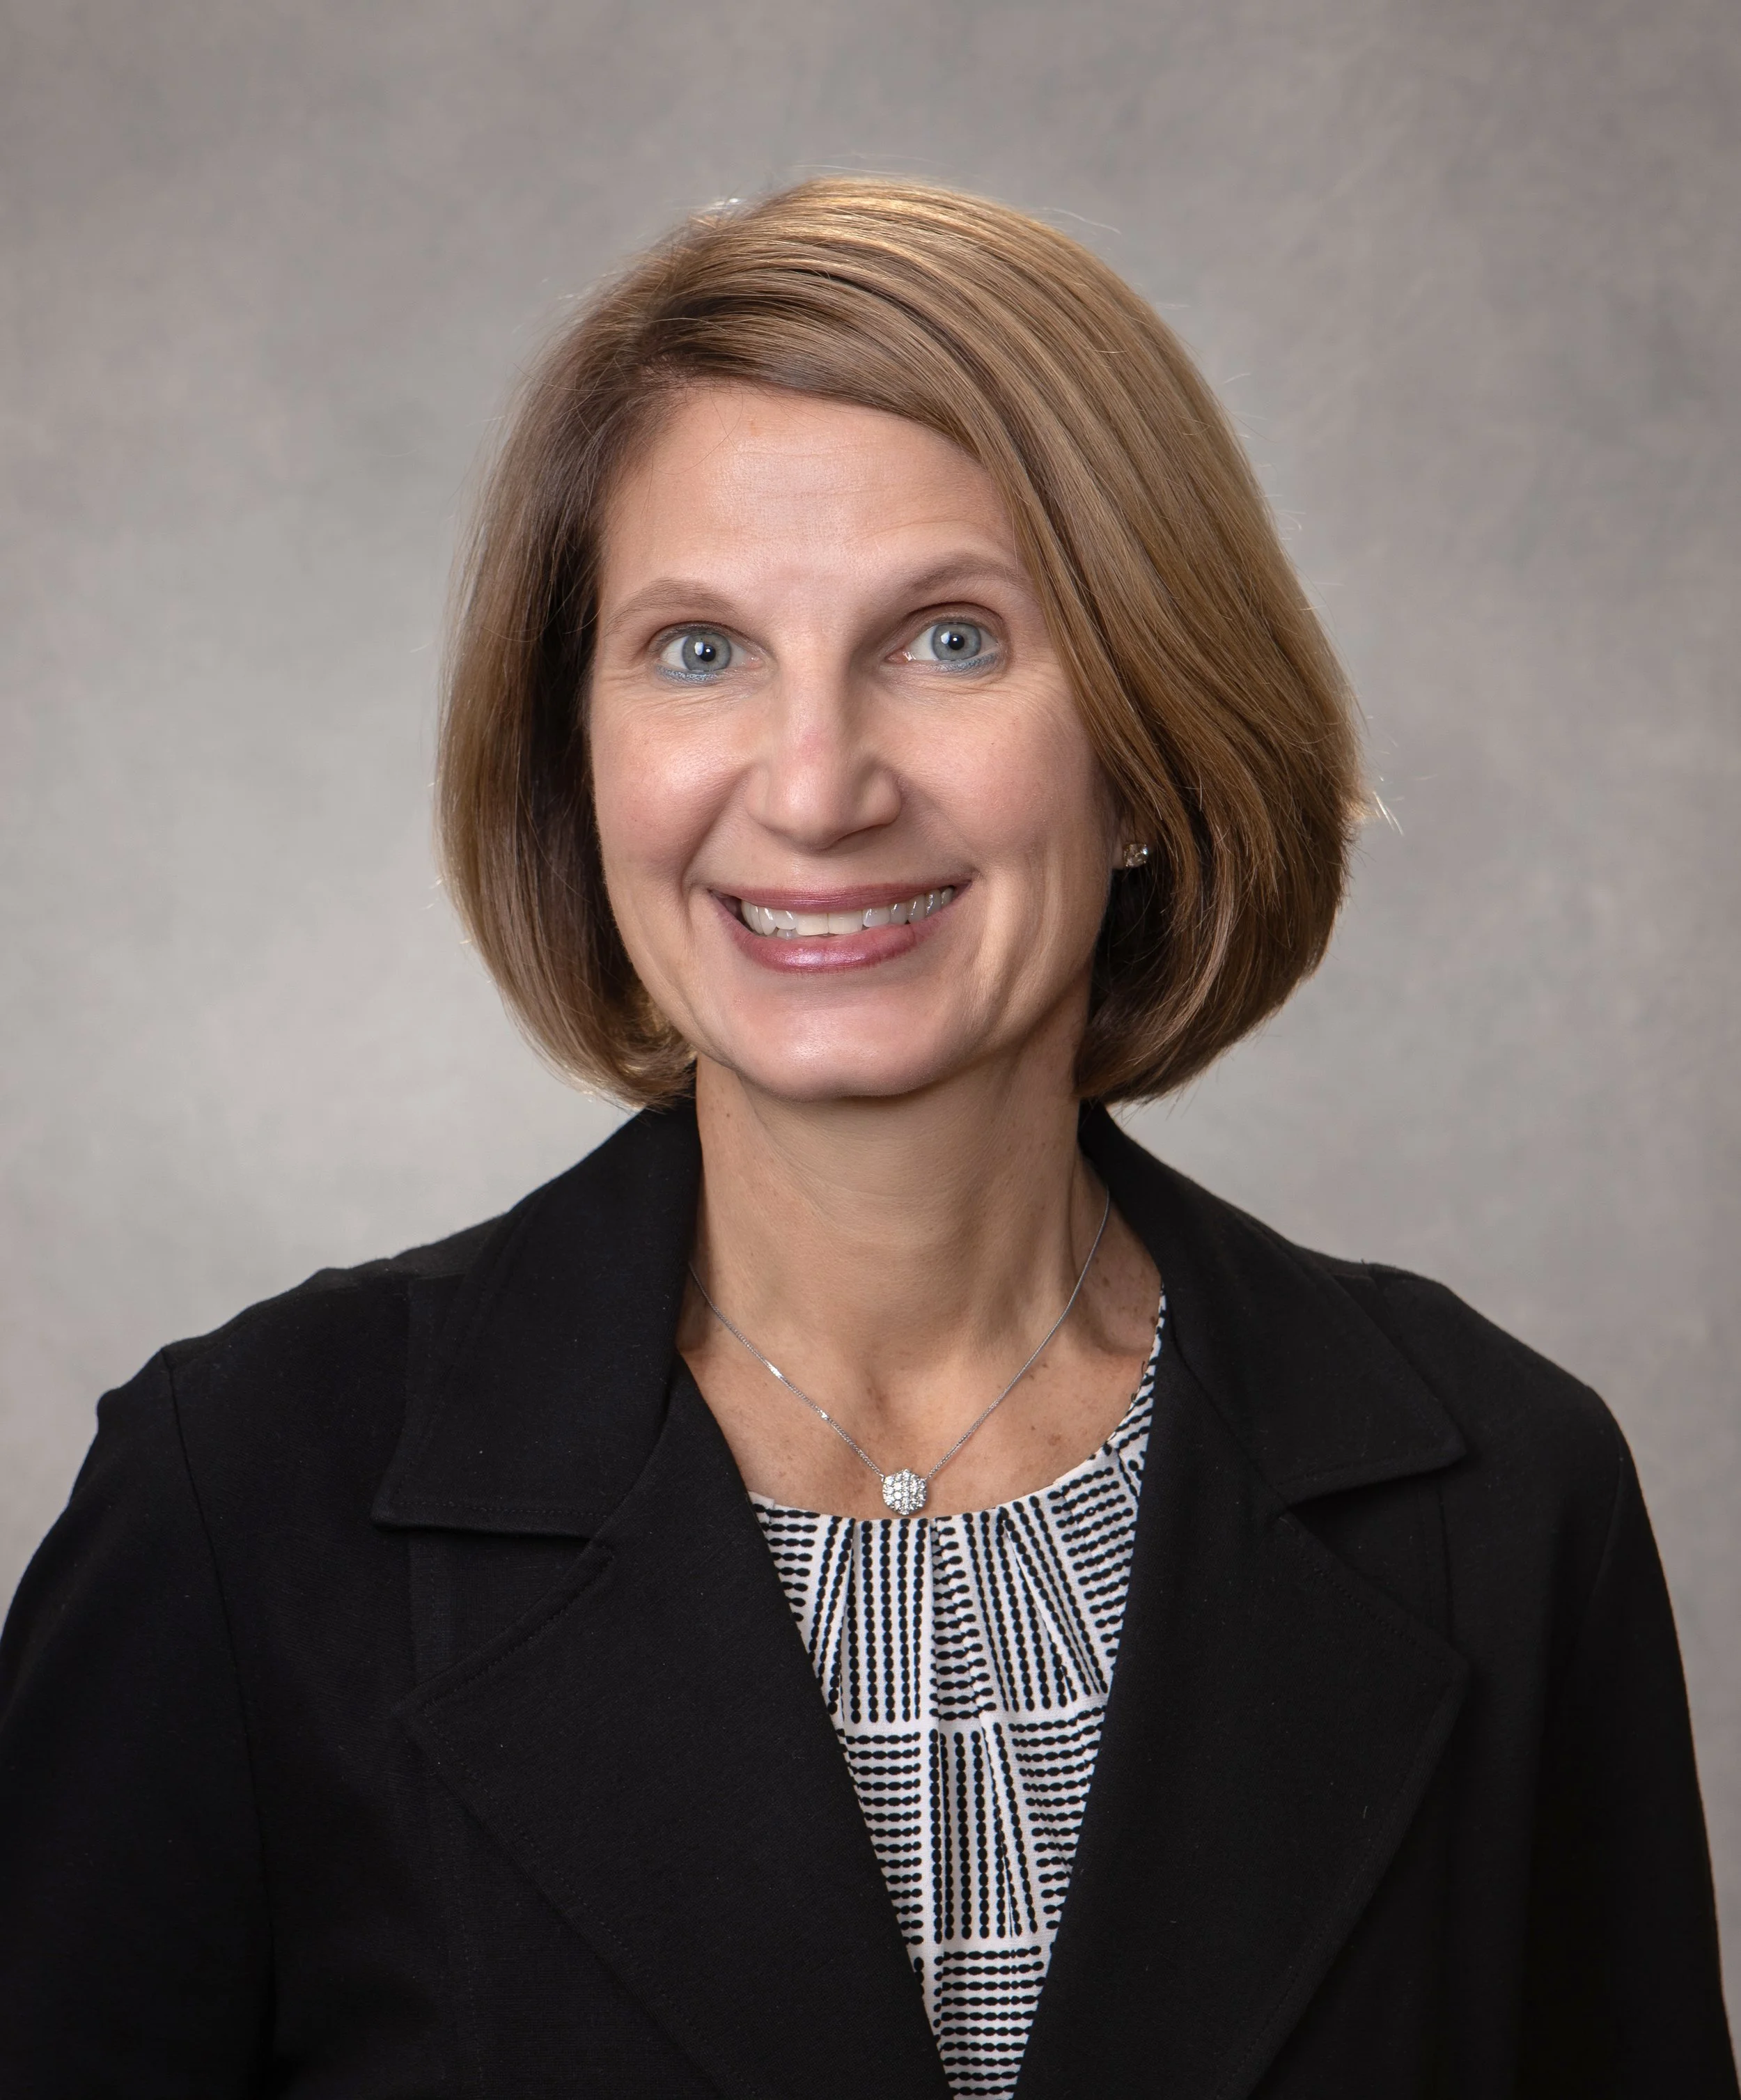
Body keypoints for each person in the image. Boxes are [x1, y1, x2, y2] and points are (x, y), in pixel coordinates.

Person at [0, 177, 1733, 2100]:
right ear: (577, 759)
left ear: (1152, 744)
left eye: (950, 639)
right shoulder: (243, 1502)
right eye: (697, 651)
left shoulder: (1497, 1501)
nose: (815, 786)